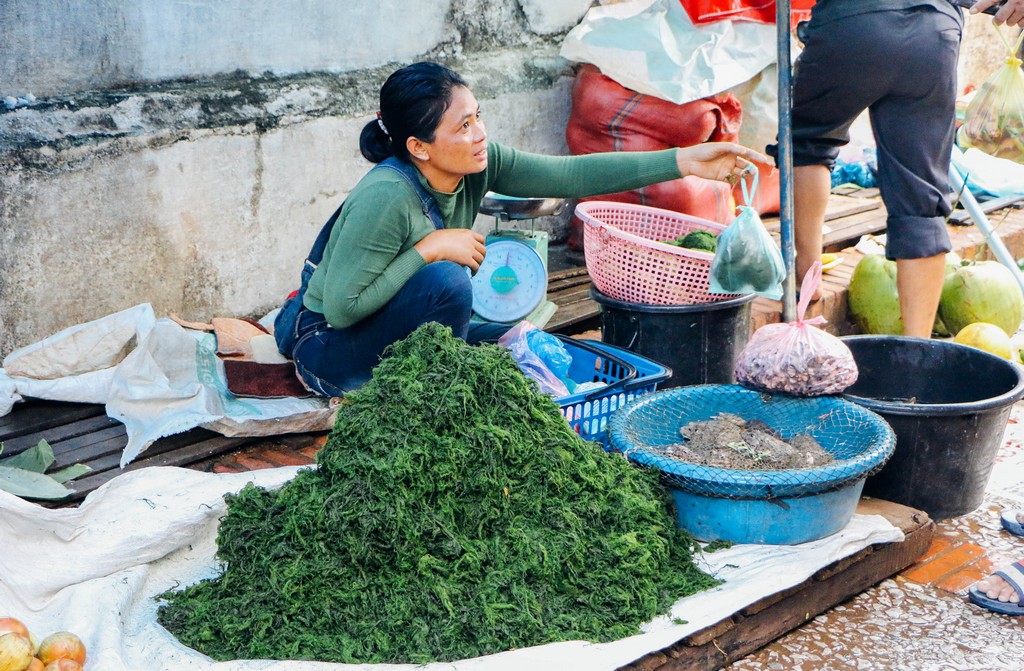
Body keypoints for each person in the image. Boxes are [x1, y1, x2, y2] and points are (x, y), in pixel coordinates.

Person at [274, 61, 771, 396]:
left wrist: (685, 160)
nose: (480, 133)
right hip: (327, 350)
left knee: (518, 336)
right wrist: (427, 249)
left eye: (478, 116)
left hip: (382, 324)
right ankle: (433, 398)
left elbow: (571, 174)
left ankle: (452, 375)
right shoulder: (386, 195)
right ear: (419, 147)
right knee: (447, 280)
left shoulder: (478, 164)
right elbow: (341, 310)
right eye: (463, 126)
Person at [775, 0, 1024, 338]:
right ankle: (915, 351)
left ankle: (806, 274)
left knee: (807, 143)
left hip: (853, 23)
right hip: (933, 29)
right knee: (922, 194)